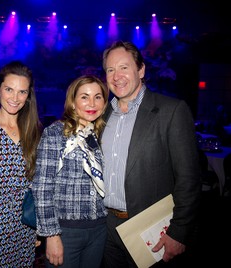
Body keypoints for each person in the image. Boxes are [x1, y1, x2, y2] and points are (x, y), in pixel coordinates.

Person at [100, 40, 202, 267]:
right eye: (110, 70)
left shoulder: (171, 111)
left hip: (151, 230)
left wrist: (179, 232)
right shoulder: (100, 114)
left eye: (124, 67)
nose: (117, 76)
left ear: (141, 70)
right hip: (105, 229)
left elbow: (189, 179)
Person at [32, 74, 109, 268]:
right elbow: (42, 188)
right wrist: (51, 234)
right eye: (84, 96)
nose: (91, 103)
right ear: (73, 103)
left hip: (99, 229)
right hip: (65, 231)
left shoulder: (103, 135)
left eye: (97, 97)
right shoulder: (56, 133)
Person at [0, 60, 42, 267]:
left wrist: (37, 226)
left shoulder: (33, 131)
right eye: (9, 89)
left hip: (24, 229)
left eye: (22, 92)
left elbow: (37, 185)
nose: (15, 98)